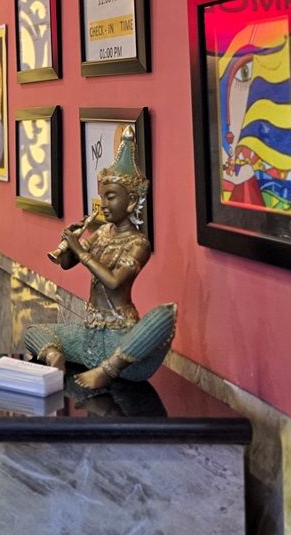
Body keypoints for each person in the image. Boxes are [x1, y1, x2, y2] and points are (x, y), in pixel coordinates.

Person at [21, 132, 177, 389]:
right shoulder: (102, 232)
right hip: (89, 336)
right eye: (102, 196)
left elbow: (114, 282)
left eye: (110, 197)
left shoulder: (139, 244)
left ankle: (109, 369)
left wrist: (83, 253)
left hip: (119, 338)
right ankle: (55, 358)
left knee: (165, 315)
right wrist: (70, 242)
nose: (103, 204)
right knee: (34, 332)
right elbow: (67, 264)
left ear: (131, 202)